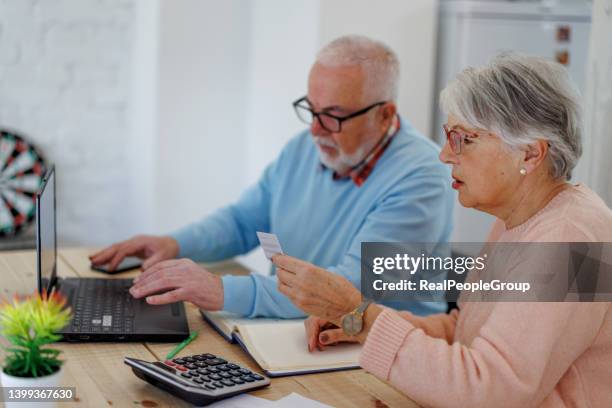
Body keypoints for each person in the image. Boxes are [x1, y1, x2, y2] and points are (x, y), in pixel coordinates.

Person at [273, 53, 612, 407]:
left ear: (529, 154)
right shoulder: (517, 218)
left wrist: (360, 314)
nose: (445, 156)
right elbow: (464, 332)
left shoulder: (574, 240)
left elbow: (487, 391)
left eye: (463, 139)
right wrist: (358, 323)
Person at [90, 35, 454, 319]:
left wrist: (219, 290)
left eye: (333, 115)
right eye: (311, 109)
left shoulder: (421, 179)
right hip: (297, 331)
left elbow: (342, 291)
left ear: (385, 115)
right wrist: (172, 244)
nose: (315, 130)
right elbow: (243, 222)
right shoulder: (306, 147)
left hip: (372, 353)